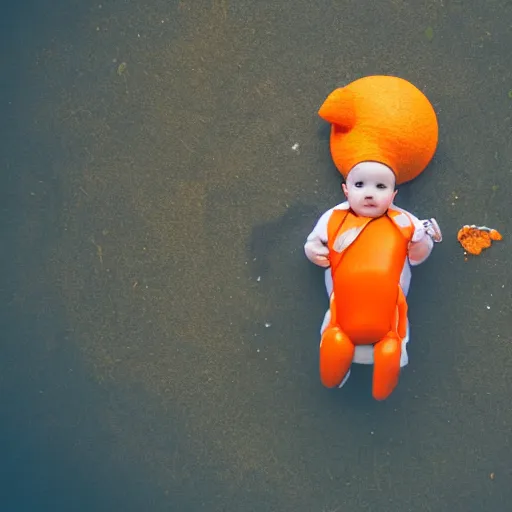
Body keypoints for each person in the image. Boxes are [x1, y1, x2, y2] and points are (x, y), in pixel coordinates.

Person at [305, 75, 442, 400]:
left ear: (394, 193)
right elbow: (314, 242)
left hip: (387, 321)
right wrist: (313, 250)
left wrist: (422, 239)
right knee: (336, 340)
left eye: (380, 187)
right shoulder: (334, 218)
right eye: (360, 185)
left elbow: (417, 256)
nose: (370, 194)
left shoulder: (404, 221)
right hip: (343, 315)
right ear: (345, 189)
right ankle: (335, 366)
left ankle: (387, 367)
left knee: (391, 345)